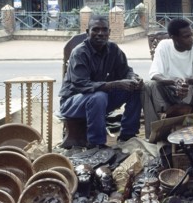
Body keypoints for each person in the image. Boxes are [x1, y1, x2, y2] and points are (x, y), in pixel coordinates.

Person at [59, 15, 143, 147]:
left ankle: (128, 135)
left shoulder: (113, 49)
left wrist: (133, 78)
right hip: (72, 102)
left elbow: (126, 70)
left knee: (135, 89)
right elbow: (82, 85)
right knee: (99, 97)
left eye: (104, 30)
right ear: (88, 32)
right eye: (95, 30)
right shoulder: (79, 53)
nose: (100, 34)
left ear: (109, 32)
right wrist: (115, 84)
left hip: (99, 100)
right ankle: (96, 144)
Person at [142, 18, 193, 139]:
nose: (191, 40)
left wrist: (186, 81)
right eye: (186, 37)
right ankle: (153, 135)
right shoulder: (164, 46)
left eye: (191, 35)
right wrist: (174, 82)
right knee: (148, 85)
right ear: (173, 37)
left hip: (192, 91)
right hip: (169, 93)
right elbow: (155, 73)